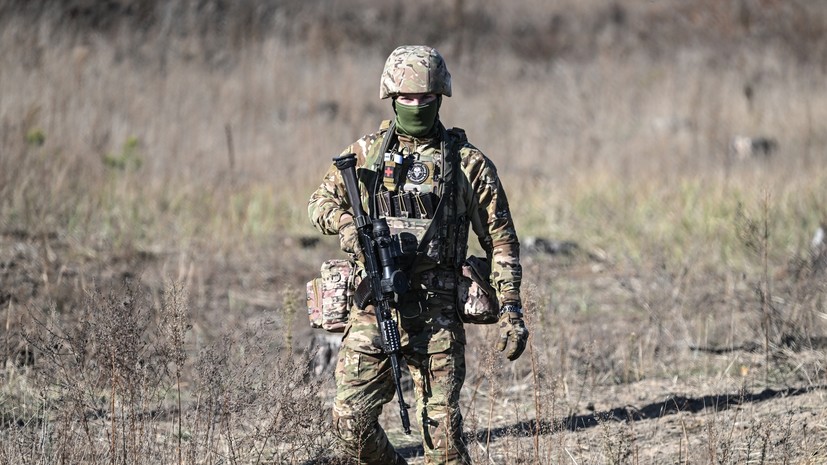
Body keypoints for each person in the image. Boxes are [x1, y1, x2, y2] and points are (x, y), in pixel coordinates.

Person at [308, 45, 528, 465]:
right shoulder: (364, 154)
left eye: (425, 98)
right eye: (406, 97)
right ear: (391, 97)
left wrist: (512, 309)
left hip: (437, 313)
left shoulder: (468, 164)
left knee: (443, 443)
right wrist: (347, 225)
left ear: (440, 98)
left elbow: (501, 239)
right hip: (376, 309)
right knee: (349, 424)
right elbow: (318, 203)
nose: (415, 105)